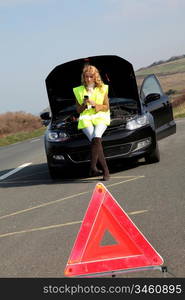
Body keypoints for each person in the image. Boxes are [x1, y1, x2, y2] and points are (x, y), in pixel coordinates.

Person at [73, 64, 110, 181]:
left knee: (96, 137)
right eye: (86, 77)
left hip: (100, 115)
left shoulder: (103, 88)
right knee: (95, 141)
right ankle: (105, 171)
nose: (88, 79)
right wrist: (84, 104)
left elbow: (106, 107)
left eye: (90, 77)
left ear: (95, 77)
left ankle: (94, 167)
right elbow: (78, 110)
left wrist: (95, 104)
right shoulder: (78, 90)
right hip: (86, 117)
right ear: (83, 77)